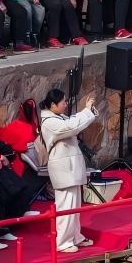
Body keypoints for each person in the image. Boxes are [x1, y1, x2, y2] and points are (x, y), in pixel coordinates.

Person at [39, 89, 99, 253]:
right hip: (63, 169)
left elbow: (73, 121)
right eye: (63, 102)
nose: (66, 104)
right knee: (66, 207)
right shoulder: (49, 122)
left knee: (74, 206)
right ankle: (63, 242)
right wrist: (86, 110)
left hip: (69, 168)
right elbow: (72, 126)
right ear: (53, 105)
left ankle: (75, 236)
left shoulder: (58, 117)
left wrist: (87, 110)